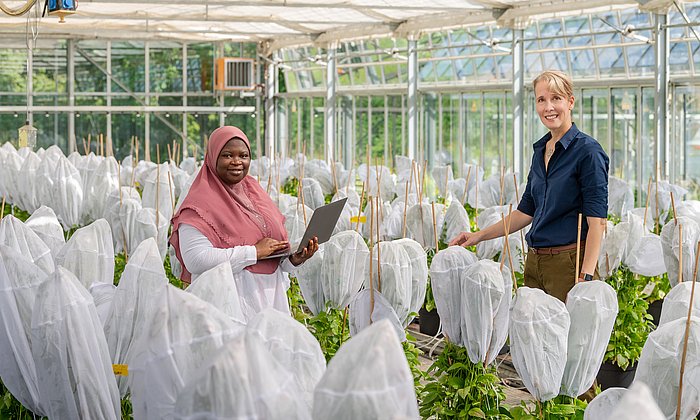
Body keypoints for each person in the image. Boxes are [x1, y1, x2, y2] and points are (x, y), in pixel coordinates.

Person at [450, 70, 609, 303]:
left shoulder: (588, 152)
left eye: (556, 98)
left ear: (570, 102)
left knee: (567, 338)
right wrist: (478, 235)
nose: (548, 107)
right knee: (534, 337)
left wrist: (585, 276)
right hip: (535, 262)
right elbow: (526, 212)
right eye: (541, 100)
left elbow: (597, 223)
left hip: (569, 264)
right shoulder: (541, 151)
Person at [169, 125, 318, 319]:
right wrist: (253, 252)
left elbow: (271, 255)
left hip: (270, 300)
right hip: (228, 305)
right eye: (228, 155)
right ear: (213, 157)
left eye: (244, 155)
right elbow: (196, 260)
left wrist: (293, 260)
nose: (237, 162)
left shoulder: (255, 193)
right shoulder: (199, 203)